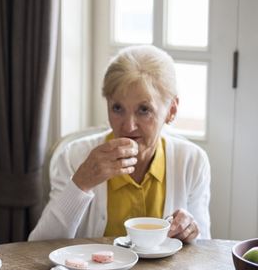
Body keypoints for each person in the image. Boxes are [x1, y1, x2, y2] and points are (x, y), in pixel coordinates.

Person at [29, 45, 211, 242]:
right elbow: (39, 246)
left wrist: (190, 232)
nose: (128, 126)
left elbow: (202, 249)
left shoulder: (192, 162)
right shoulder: (74, 156)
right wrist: (81, 183)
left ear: (171, 111)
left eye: (144, 109)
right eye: (117, 108)